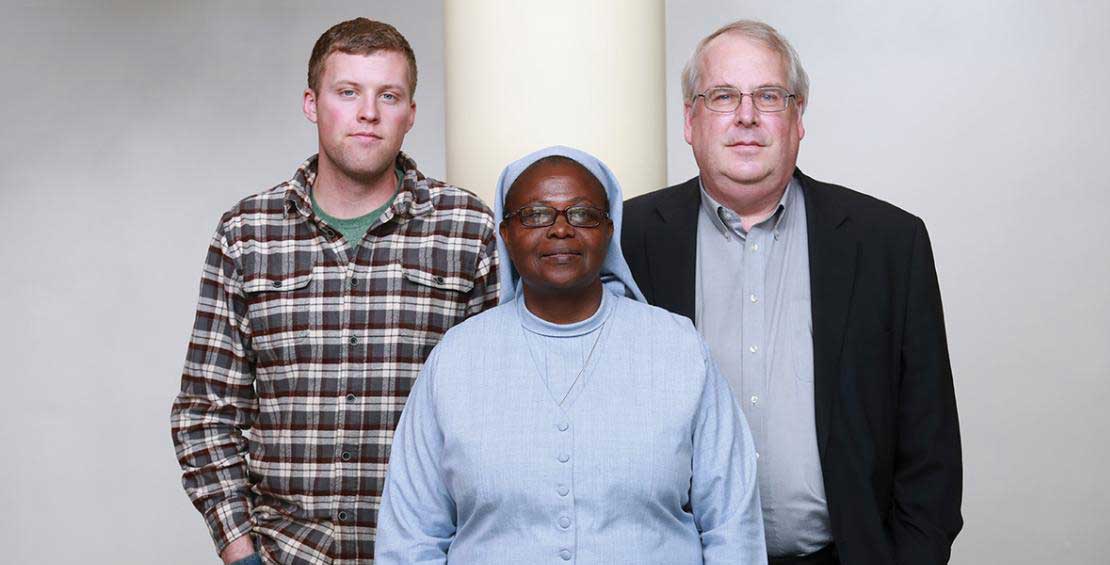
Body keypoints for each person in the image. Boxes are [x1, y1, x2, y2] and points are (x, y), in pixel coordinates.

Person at [621, 20, 962, 565]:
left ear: (798, 118)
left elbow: (931, 445)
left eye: (769, 96)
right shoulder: (625, 239)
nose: (747, 116)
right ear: (689, 119)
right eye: (722, 96)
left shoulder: (888, 244)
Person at [171, 18, 498, 565]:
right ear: (312, 102)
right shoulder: (247, 233)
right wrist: (240, 552)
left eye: (388, 95)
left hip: (430, 550)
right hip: (285, 552)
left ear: (410, 112)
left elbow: (500, 405)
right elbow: (206, 410)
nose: (368, 112)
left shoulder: (466, 228)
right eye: (347, 92)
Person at [373, 146, 767, 564]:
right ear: (506, 234)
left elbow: (732, 524)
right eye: (535, 215)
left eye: (582, 214)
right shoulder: (456, 359)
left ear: (609, 229)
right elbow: (411, 536)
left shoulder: (678, 348)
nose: (561, 230)